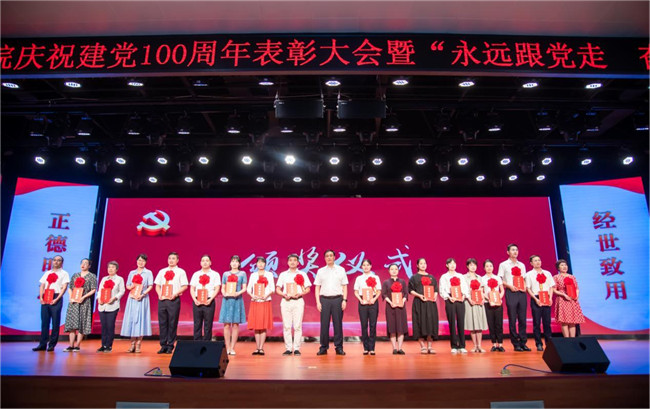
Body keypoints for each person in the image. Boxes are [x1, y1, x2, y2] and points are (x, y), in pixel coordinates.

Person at [276, 253, 312, 356]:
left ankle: (296, 348)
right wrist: (283, 294)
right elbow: (278, 289)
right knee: (287, 326)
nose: (292, 262)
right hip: (286, 301)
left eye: (295, 260)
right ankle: (288, 348)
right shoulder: (283, 274)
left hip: (298, 301)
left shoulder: (302, 274)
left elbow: (308, 289)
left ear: (298, 262)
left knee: (297, 326)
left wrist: (300, 294)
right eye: (290, 260)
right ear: (288, 262)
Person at [314, 249, 348, 356]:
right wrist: (318, 302)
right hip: (324, 300)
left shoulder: (341, 270)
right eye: (327, 256)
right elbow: (317, 287)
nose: (329, 257)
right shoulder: (320, 271)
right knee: (324, 325)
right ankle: (323, 347)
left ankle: (339, 347)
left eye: (331, 255)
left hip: (338, 299)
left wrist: (344, 300)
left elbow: (344, 286)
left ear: (334, 257)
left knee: (338, 324)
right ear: (325, 258)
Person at [498, 243, 531, 352]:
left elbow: (524, 278)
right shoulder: (503, 265)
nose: (515, 252)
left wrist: (525, 286)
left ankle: (523, 342)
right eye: (513, 250)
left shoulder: (522, 265)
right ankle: (515, 343)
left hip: (521, 292)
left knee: (522, 318)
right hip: (511, 292)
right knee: (512, 318)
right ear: (508, 252)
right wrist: (509, 286)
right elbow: (499, 279)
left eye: (516, 250)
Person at [154, 252, 188, 354]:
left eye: (173, 258)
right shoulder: (162, 271)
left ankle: (170, 345)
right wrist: (159, 294)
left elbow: (185, 286)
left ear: (177, 260)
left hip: (173, 300)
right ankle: (163, 345)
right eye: (169, 258)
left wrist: (175, 294)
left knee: (172, 323)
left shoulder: (181, 272)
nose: (171, 260)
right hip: (162, 300)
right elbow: (157, 285)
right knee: (162, 323)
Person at [34, 255, 70, 351]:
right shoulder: (47, 273)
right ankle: (42, 344)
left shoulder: (64, 273)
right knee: (45, 322)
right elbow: (42, 285)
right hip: (46, 296)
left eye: (59, 260)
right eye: (55, 260)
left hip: (56, 296)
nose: (56, 262)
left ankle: (52, 344)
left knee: (55, 322)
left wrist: (57, 299)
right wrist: (41, 297)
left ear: (62, 262)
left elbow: (64, 287)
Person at [121, 253, 154, 353]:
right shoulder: (132, 272)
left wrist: (143, 294)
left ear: (145, 262)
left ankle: (138, 344)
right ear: (136, 261)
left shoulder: (148, 272)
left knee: (141, 320)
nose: (141, 262)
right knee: (131, 319)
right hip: (132, 299)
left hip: (142, 298)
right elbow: (127, 285)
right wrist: (130, 287)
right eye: (139, 260)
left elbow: (150, 286)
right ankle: (132, 345)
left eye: (143, 261)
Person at [63, 258, 97, 352]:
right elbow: (70, 288)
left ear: (89, 266)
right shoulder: (75, 275)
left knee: (82, 323)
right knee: (72, 324)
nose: (83, 264)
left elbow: (93, 289)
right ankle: (71, 345)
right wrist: (71, 297)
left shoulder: (92, 276)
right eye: (82, 263)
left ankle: (77, 345)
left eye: (86, 263)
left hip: (84, 302)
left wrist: (83, 297)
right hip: (74, 302)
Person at [408, 257, 439, 354]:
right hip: (419, 303)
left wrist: (434, 296)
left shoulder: (431, 277)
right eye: (421, 263)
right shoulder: (414, 277)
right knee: (419, 323)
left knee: (430, 323)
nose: (423, 265)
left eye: (424, 263)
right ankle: (422, 347)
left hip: (430, 303)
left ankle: (430, 346)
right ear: (417, 265)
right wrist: (419, 295)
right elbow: (410, 290)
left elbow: (436, 289)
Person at [439, 258, 470, 354]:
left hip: (460, 299)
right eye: (450, 264)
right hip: (450, 299)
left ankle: (462, 345)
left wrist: (464, 296)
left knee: (461, 322)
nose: (452, 265)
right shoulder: (444, 277)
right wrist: (448, 297)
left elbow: (465, 287)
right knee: (451, 322)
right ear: (447, 265)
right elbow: (442, 289)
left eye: (454, 263)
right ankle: (454, 345)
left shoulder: (460, 276)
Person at [218, 255, 247, 356]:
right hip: (227, 300)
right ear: (230, 263)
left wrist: (238, 293)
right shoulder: (225, 274)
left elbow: (244, 288)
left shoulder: (242, 274)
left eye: (236, 261)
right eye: (233, 261)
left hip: (237, 300)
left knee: (235, 324)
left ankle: (232, 347)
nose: (234, 263)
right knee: (226, 324)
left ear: (239, 263)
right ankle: (227, 347)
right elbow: (223, 287)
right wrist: (224, 293)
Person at [525, 255, 555, 351]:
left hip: (546, 297)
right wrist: (535, 299)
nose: (538, 262)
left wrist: (550, 298)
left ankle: (549, 343)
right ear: (531, 263)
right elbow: (528, 288)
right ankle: (538, 344)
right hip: (536, 298)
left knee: (547, 322)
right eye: (535, 261)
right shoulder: (529, 274)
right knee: (537, 323)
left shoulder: (547, 273)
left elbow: (551, 286)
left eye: (539, 260)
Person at [246, 257, 275, 355]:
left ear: (265, 264)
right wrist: (252, 295)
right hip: (255, 301)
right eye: (259, 262)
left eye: (262, 262)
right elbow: (248, 289)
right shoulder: (253, 275)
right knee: (256, 326)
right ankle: (257, 347)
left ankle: (261, 348)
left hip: (265, 301)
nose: (261, 264)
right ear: (256, 264)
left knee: (263, 325)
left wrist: (266, 295)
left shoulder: (269, 274)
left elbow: (272, 289)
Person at [353, 259, 382, 355]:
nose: (366, 267)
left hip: (373, 301)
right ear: (361, 267)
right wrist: (360, 300)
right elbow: (356, 291)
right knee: (364, 325)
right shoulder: (359, 278)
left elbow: (378, 291)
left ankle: (372, 348)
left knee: (373, 325)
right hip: (363, 302)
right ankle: (365, 347)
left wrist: (374, 299)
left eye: (368, 265)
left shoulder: (375, 277)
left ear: (371, 266)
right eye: (364, 265)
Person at [189, 255, 220, 341]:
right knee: (197, 324)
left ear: (210, 262)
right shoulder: (196, 274)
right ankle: (197, 344)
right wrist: (195, 300)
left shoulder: (215, 274)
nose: (205, 262)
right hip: (197, 300)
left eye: (207, 260)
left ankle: (206, 344)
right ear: (200, 263)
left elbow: (217, 288)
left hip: (209, 300)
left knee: (208, 324)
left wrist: (210, 299)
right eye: (203, 260)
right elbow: (192, 288)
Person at [97, 261, 125, 352]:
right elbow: (100, 290)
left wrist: (114, 298)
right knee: (103, 327)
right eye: (109, 267)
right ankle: (103, 345)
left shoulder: (119, 279)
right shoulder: (104, 279)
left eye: (113, 267)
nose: (110, 269)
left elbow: (122, 291)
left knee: (110, 326)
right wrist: (99, 299)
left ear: (116, 269)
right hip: (102, 306)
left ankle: (109, 345)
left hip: (112, 306)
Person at [552, 259, 585, 338]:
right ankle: (567, 340)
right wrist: (564, 295)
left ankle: (572, 340)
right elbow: (554, 290)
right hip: (562, 300)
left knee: (572, 321)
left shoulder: (572, 277)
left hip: (572, 300)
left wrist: (577, 295)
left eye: (565, 265)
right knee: (564, 321)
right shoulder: (556, 277)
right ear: (558, 268)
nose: (564, 267)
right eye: (562, 265)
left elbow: (577, 288)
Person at [382, 263, 408, 355]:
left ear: (398, 271)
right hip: (391, 307)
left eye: (396, 269)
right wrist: (390, 302)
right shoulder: (386, 282)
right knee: (392, 328)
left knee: (401, 328)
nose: (394, 271)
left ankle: (400, 348)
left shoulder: (403, 282)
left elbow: (406, 293)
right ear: (389, 271)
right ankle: (394, 348)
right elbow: (384, 294)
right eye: (392, 269)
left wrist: (403, 301)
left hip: (401, 308)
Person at [463, 258, 488, 353]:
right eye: (471, 265)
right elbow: (465, 290)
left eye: (474, 265)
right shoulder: (464, 277)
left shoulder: (479, 278)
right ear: (467, 266)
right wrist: (470, 299)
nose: (473, 267)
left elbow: (481, 290)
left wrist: (482, 299)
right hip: (470, 302)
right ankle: (474, 346)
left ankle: (479, 346)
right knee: (472, 324)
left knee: (479, 325)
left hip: (479, 302)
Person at [481, 259, 506, 352]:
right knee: (491, 324)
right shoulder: (482, 279)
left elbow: (502, 290)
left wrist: (499, 297)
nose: (489, 268)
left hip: (498, 303)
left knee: (499, 324)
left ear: (493, 267)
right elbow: (481, 291)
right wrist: (489, 299)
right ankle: (494, 344)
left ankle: (500, 344)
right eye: (487, 266)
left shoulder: (498, 278)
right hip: (488, 303)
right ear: (484, 268)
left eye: (491, 266)